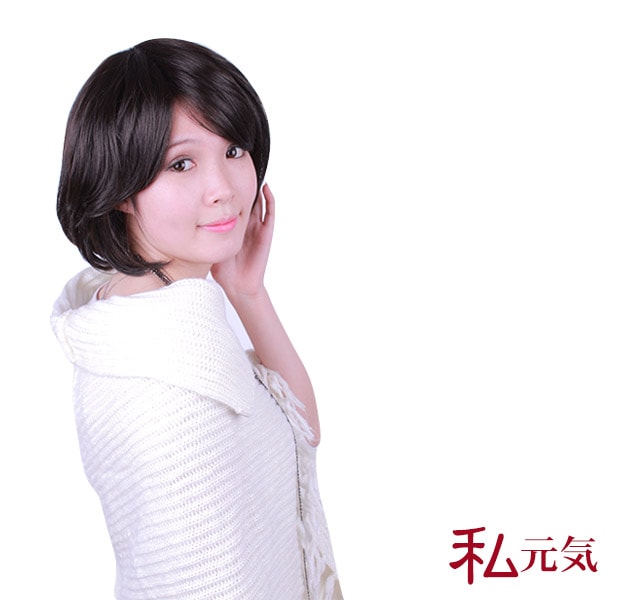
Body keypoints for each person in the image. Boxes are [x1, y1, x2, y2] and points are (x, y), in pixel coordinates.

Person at [51, 38, 342, 600]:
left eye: (234, 149)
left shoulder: (166, 314)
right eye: (181, 163)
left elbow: (301, 433)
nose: (224, 189)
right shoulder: (161, 385)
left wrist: (248, 293)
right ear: (120, 187)